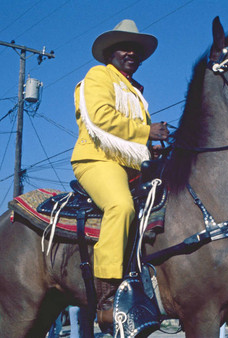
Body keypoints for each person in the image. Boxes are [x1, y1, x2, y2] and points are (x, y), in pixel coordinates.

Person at [70, 19, 168, 330]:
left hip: (131, 164)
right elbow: (99, 117)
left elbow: (137, 139)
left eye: (136, 50)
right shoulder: (98, 76)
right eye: (125, 48)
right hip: (97, 159)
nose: (132, 53)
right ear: (111, 52)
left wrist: (154, 147)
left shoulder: (136, 92)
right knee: (121, 207)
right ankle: (107, 294)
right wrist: (147, 131)